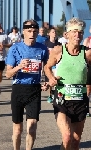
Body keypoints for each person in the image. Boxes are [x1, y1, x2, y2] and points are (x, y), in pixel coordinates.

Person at [44, 17, 91, 150]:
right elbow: (47, 68)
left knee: (76, 141)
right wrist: (51, 78)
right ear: (67, 34)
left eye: (81, 32)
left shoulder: (87, 53)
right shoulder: (59, 51)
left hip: (81, 100)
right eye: (74, 31)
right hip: (61, 99)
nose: (78, 35)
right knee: (67, 137)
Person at [5, 19, 48, 150]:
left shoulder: (43, 49)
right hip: (18, 89)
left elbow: (46, 68)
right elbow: (7, 74)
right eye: (29, 31)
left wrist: (46, 81)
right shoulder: (15, 48)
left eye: (35, 31)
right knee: (18, 129)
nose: (32, 34)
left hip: (34, 89)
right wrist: (19, 66)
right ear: (23, 32)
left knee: (32, 128)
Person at [45, 27, 61, 103]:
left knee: (55, 80)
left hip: (56, 65)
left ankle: (56, 95)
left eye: (55, 32)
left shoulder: (58, 44)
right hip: (48, 64)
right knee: (49, 80)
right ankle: (50, 95)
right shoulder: (46, 43)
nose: (54, 33)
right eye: (53, 32)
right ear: (49, 34)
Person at [83, 26, 91, 117]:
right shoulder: (87, 40)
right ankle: (86, 109)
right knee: (88, 89)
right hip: (89, 66)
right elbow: (83, 54)